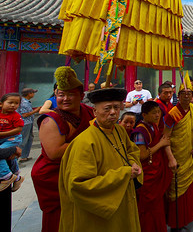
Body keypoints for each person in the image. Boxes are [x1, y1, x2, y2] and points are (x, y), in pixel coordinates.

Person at [59, 88, 143, 231]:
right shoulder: (85, 142)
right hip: (101, 212)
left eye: (116, 107)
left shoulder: (119, 130)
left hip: (122, 200)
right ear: (94, 112)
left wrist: (133, 163)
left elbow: (132, 150)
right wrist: (123, 174)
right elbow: (78, 185)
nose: (113, 112)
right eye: (107, 108)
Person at [32, 66, 95, 232]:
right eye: (61, 95)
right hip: (56, 178)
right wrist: (95, 146)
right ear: (55, 96)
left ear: (81, 96)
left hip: (81, 174)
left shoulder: (88, 111)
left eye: (71, 94)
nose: (65, 99)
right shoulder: (51, 119)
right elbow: (54, 152)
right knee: (59, 223)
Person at [162, 72, 193, 231]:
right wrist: (171, 158)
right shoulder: (173, 114)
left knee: (189, 188)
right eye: (183, 94)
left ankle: (189, 215)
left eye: (189, 93)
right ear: (177, 96)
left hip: (191, 154)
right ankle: (176, 223)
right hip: (178, 157)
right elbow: (166, 138)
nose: (186, 97)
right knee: (177, 190)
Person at [131, 101, 171, 232]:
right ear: (144, 114)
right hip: (148, 173)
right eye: (154, 113)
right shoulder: (140, 131)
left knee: (157, 205)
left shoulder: (153, 126)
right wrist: (161, 144)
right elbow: (142, 155)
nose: (157, 115)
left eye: (158, 112)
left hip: (156, 168)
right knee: (148, 208)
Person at [0, 93, 24, 192]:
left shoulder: (16, 116)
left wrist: (0, 134)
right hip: (0, 139)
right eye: (10, 102)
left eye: (16, 103)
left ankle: (6, 176)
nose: (13, 105)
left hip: (12, 139)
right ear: (0, 104)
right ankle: (17, 177)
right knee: (9, 156)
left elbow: (18, 129)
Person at [17, 88, 41, 162]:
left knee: (29, 138)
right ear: (29, 94)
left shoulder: (26, 102)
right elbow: (24, 115)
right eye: (33, 93)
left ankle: (24, 156)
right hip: (25, 123)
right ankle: (18, 156)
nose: (34, 94)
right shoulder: (24, 103)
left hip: (29, 122)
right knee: (24, 139)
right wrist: (35, 111)